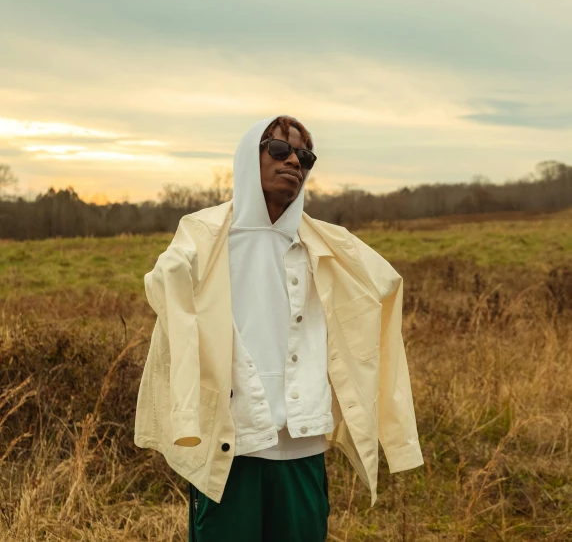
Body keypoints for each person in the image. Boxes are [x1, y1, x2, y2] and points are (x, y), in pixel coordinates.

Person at [135, 114, 424, 542]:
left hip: (303, 443)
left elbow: (385, 289)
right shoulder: (203, 234)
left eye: (304, 155)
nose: (293, 160)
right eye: (278, 148)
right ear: (249, 157)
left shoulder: (327, 243)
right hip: (231, 447)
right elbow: (164, 292)